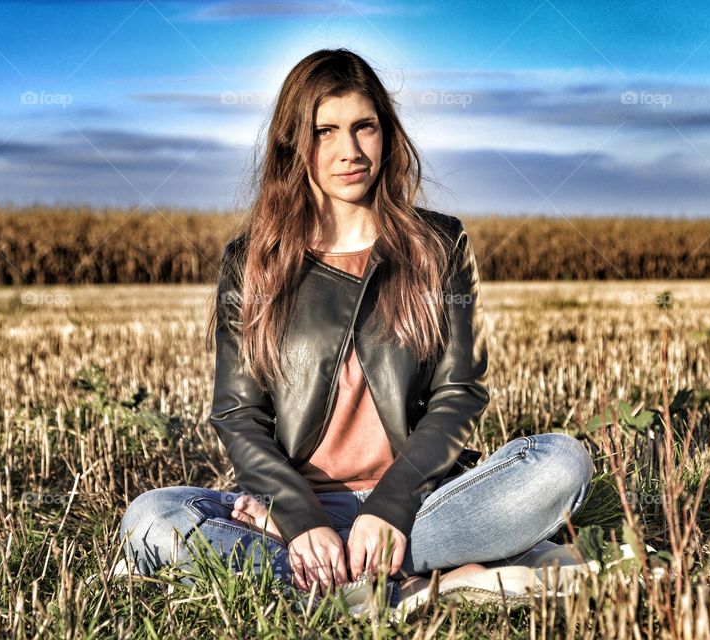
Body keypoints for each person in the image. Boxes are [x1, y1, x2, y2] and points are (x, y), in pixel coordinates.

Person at [113, 48, 594, 609]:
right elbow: (237, 414)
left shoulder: (440, 245)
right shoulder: (252, 261)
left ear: (386, 133)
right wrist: (299, 517)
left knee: (561, 463)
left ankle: (336, 585)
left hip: (421, 504)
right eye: (325, 131)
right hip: (300, 508)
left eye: (364, 126)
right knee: (152, 516)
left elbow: (459, 393)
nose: (350, 151)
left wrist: (390, 508)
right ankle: (419, 580)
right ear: (294, 142)